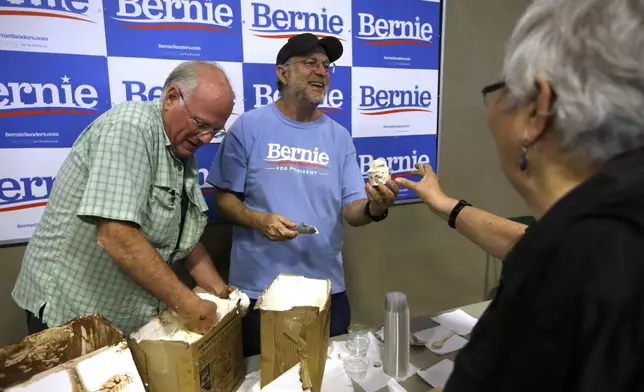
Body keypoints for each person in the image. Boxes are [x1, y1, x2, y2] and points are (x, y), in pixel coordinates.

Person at [398, 0, 644, 390]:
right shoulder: (604, 227)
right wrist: (445, 204)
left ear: (538, 110)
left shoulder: (563, 269)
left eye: (500, 91)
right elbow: (527, 243)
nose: (491, 112)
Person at [207, 33, 400, 357]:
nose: (322, 72)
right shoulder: (248, 127)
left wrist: (375, 208)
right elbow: (223, 200)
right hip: (260, 293)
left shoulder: (339, 137)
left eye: (326, 66)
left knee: (329, 381)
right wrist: (258, 220)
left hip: (326, 292)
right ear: (283, 73)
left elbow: (353, 209)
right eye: (310, 63)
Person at [12, 61, 236, 336]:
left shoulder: (180, 147)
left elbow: (184, 237)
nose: (205, 138)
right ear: (171, 98)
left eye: (215, 130)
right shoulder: (130, 128)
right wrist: (188, 305)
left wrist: (219, 292)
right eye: (201, 123)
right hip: (71, 309)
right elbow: (116, 236)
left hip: (122, 313)